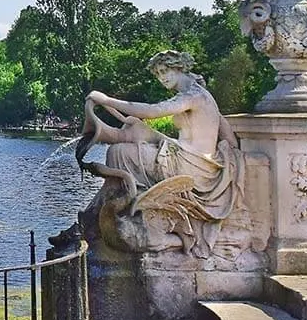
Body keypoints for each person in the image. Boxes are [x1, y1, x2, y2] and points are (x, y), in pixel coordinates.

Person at [79, 50, 244, 258]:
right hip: (189, 158)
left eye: (165, 71)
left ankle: (101, 219)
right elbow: (227, 134)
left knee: (119, 153)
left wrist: (106, 100)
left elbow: (152, 111)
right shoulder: (202, 94)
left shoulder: (194, 96)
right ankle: (96, 218)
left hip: (193, 166)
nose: (161, 77)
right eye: (157, 73)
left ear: (179, 67)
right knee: (132, 138)